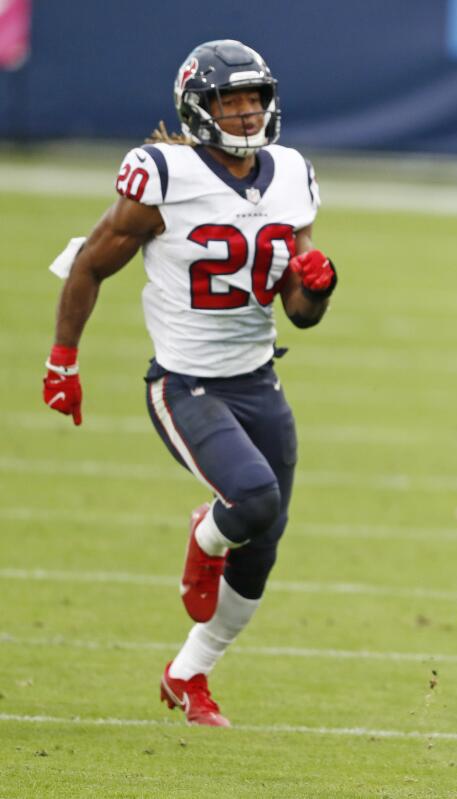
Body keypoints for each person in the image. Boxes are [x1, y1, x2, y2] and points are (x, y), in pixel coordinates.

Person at [41, 39, 337, 727]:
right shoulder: (163, 175)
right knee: (251, 497)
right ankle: (204, 535)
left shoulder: (291, 173)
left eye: (252, 99)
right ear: (198, 108)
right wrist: (63, 358)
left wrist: (319, 286)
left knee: (263, 545)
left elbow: (299, 310)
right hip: (184, 382)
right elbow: (89, 264)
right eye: (228, 101)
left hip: (258, 379)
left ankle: (188, 673)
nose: (242, 113)